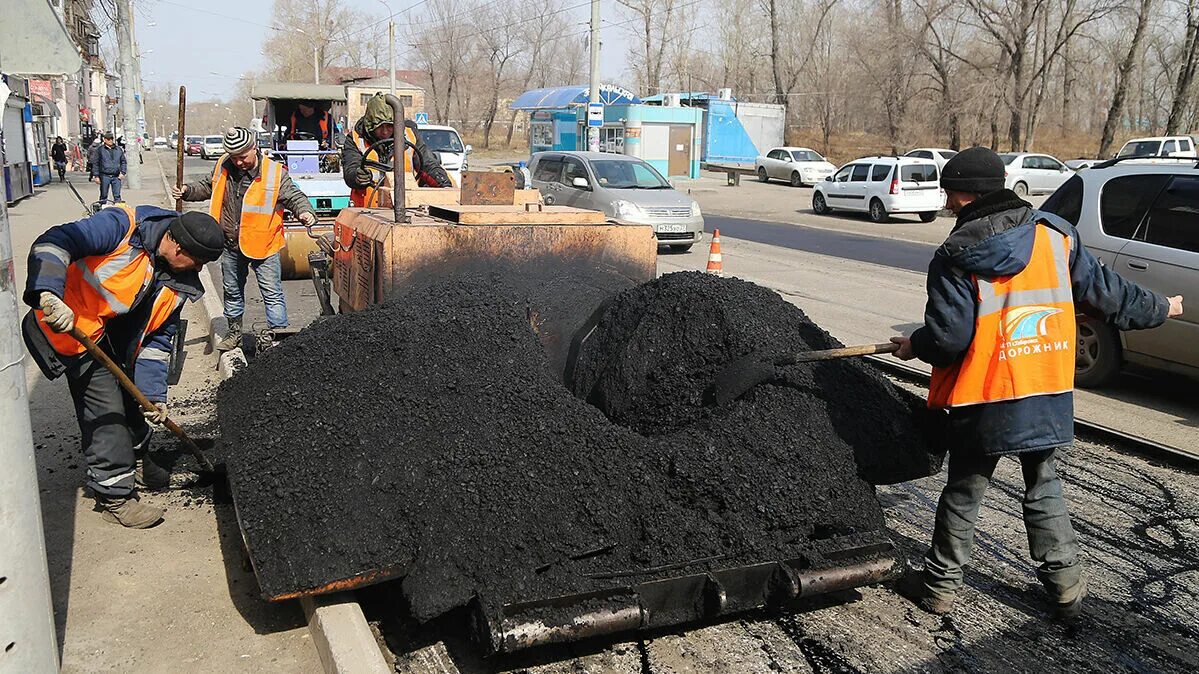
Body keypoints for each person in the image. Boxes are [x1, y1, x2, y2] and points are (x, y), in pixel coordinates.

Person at [889, 147, 1184, 621]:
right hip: (1043, 387)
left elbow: (948, 339)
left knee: (965, 490)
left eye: (948, 192)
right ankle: (1066, 590)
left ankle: (940, 587)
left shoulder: (956, 254)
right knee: (1044, 485)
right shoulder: (1055, 235)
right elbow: (1110, 295)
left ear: (960, 195)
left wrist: (915, 343)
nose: (945, 202)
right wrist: (1161, 308)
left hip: (984, 392)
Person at [23, 206, 224, 528]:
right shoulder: (121, 227)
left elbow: (158, 342)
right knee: (106, 413)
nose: (198, 269)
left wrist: (153, 395)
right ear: (176, 247)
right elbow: (54, 242)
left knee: (133, 400)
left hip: (113, 336)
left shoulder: (179, 281)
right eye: (197, 261)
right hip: (67, 325)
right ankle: (114, 496)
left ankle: (139, 462)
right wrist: (48, 293)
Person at [171, 127, 317, 351]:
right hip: (230, 244)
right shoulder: (223, 166)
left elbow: (295, 196)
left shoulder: (273, 172)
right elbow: (208, 186)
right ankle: (234, 333)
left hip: (264, 244)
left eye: (243, 157)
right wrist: (187, 190)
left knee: (272, 293)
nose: (239, 162)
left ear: (255, 148)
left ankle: (279, 337)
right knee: (232, 291)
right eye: (234, 157)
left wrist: (305, 212)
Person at [342, 93, 451, 207]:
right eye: (379, 127)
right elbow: (351, 167)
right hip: (365, 212)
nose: (385, 132)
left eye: (389, 126)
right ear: (369, 126)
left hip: (407, 208)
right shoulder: (355, 138)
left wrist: (444, 186)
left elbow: (428, 164)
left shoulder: (410, 136)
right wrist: (358, 176)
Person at [89, 132, 126, 204]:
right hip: (104, 176)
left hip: (116, 176)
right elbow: (95, 163)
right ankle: (103, 211)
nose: (110, 141)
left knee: (117, 196)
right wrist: (96, 176)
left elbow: (123, 161)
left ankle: (117, 211)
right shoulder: (100, 150)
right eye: (108, 139)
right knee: (103, 195)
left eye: (112, 139)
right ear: (104, 140)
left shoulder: (118, 150)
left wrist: (123, 172)